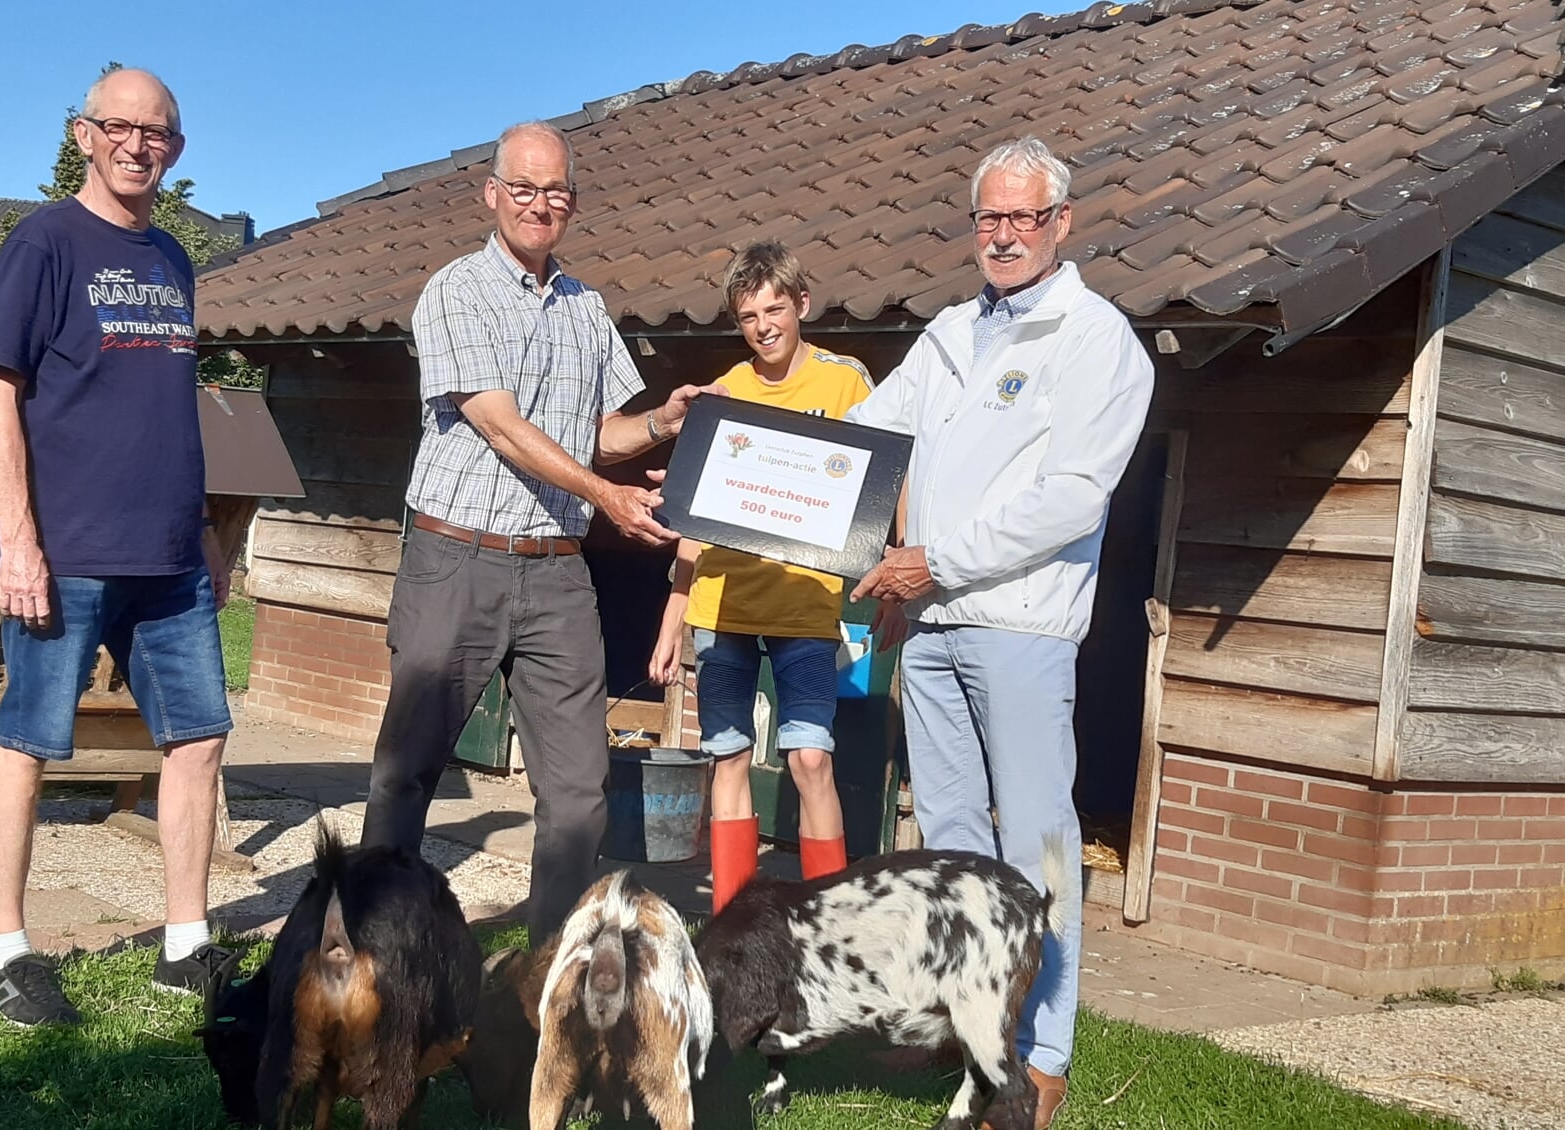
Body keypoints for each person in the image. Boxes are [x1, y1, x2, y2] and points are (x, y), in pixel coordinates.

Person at [846, 136, 1155, 1130]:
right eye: (990, 217)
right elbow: (863, 434)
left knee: (1036, 844)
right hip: (929, 625)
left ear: (1060, 223)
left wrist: (933, 559)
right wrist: (733, 437)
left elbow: (1070, 497)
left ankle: (1046, 1057)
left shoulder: (1095, 337)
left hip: (1018, 624)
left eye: (1025, 217)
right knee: (950, 848)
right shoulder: (944, 333)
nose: (1005, 234)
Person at [359, 120, 721, 946]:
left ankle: (549, 967)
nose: (538, 204)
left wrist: (664, 420)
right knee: (408, 767)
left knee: (578, 788)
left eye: (554, 191)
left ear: (571, 204)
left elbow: (599, 431)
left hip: (556, 573)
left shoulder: (586, 306)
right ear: (491, 195)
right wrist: (607, 498)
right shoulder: (455, 290)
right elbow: (501, 426)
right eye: (522, 188)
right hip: (458, 556)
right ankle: (376, 946)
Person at [0, 67, 237, 1026]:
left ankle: (185, 946)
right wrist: (20, 543)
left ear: (176, 145)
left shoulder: (172, 254)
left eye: (157, 131)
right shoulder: (42, 243)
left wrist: (202, 528)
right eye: (119, 127)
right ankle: (5, 952)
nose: (138, 144)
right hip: (67, 549)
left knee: (199, 740)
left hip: (168, 558)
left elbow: (164, 409)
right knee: (29, 742)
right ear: (82, 134)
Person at [648, 240, 883, 914]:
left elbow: (886, 480)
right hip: (721, 606)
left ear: (800, 303)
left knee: (809, 761)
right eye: (748, 316)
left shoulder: (846, 381)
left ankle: (827, 924)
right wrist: (672, 620)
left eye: (774, 308)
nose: (763, 326)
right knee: (728, 758)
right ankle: (730, 922)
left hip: (806, 609)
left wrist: (898, 562)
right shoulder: (724, 395)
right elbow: (695, 516)